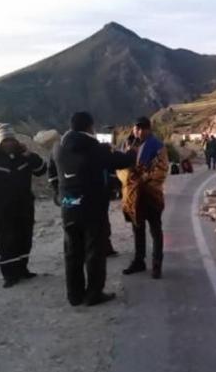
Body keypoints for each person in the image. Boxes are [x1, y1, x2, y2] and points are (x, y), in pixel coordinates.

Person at [49, 112, 136, 306]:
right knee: (94, 251)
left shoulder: (57, 148)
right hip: (92, 207)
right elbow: (122, 161)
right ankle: (94, 294)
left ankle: (74, 295)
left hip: (69, 206)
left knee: (72, 252)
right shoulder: (94, 148)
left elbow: (52, 172)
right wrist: (132, 151)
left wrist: (58, 192)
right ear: (90, 127)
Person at [0, 124, 48, 288]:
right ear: (0, 142)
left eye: (11, 140)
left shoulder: (24, 157)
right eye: (5, 140)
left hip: (24, 207)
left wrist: (30, 155)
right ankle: (9, 275)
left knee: (24, 239)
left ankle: (23, 269)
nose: (9, 143)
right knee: (6, 242)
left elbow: (41, 169)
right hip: (3, 211)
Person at [119, 117, 169, 279]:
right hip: (134, 196)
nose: (138, 131)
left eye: (142, 128)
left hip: (151, 195)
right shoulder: (127, 145)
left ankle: (157, 264)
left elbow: (162, 170)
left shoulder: (157, 146)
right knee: (137, 229)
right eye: (136, 128)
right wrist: (129, 178)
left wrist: (144, 178)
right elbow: (120, 168)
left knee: (155, 230)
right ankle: (139, 261)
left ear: (148, 129)